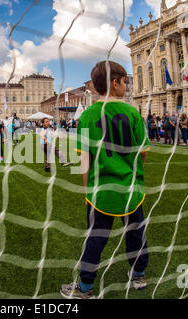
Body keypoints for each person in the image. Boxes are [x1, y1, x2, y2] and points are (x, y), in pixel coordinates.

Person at [60, 61, 150, 299]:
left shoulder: (88, 115)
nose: (126, 85)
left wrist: (87, 188)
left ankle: (86, 287)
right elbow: (144, 151)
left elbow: (84, 159)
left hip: (101, 191)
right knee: (136, 232)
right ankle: (139, 274)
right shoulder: (132, 112)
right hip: (131, 188)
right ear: (115, 83)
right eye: (125, 81)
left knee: (96, 238)